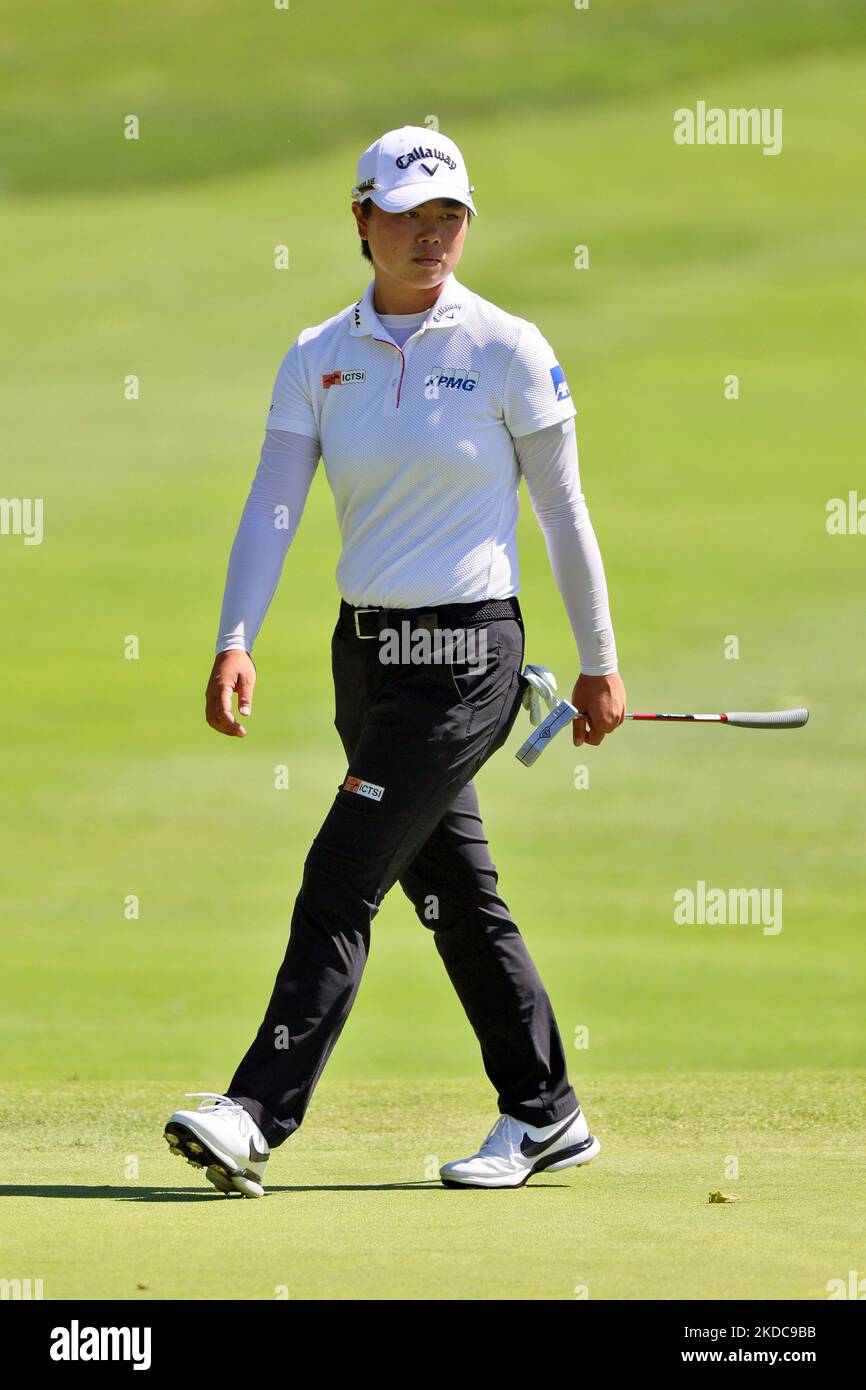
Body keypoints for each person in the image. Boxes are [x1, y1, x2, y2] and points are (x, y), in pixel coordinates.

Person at [164, 125, 626, 1196]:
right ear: (361, 221)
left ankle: (253, 1112)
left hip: (466, 656)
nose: (432, 236)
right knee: (455, 896)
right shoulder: (318, 352)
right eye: (410, 216)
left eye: (449, 216)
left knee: (339, 878)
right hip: (363, 657)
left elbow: (562, 512)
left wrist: (598, 660)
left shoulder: (506, 347)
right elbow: (275, 502)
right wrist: (235, 636)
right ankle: (543, 1109)